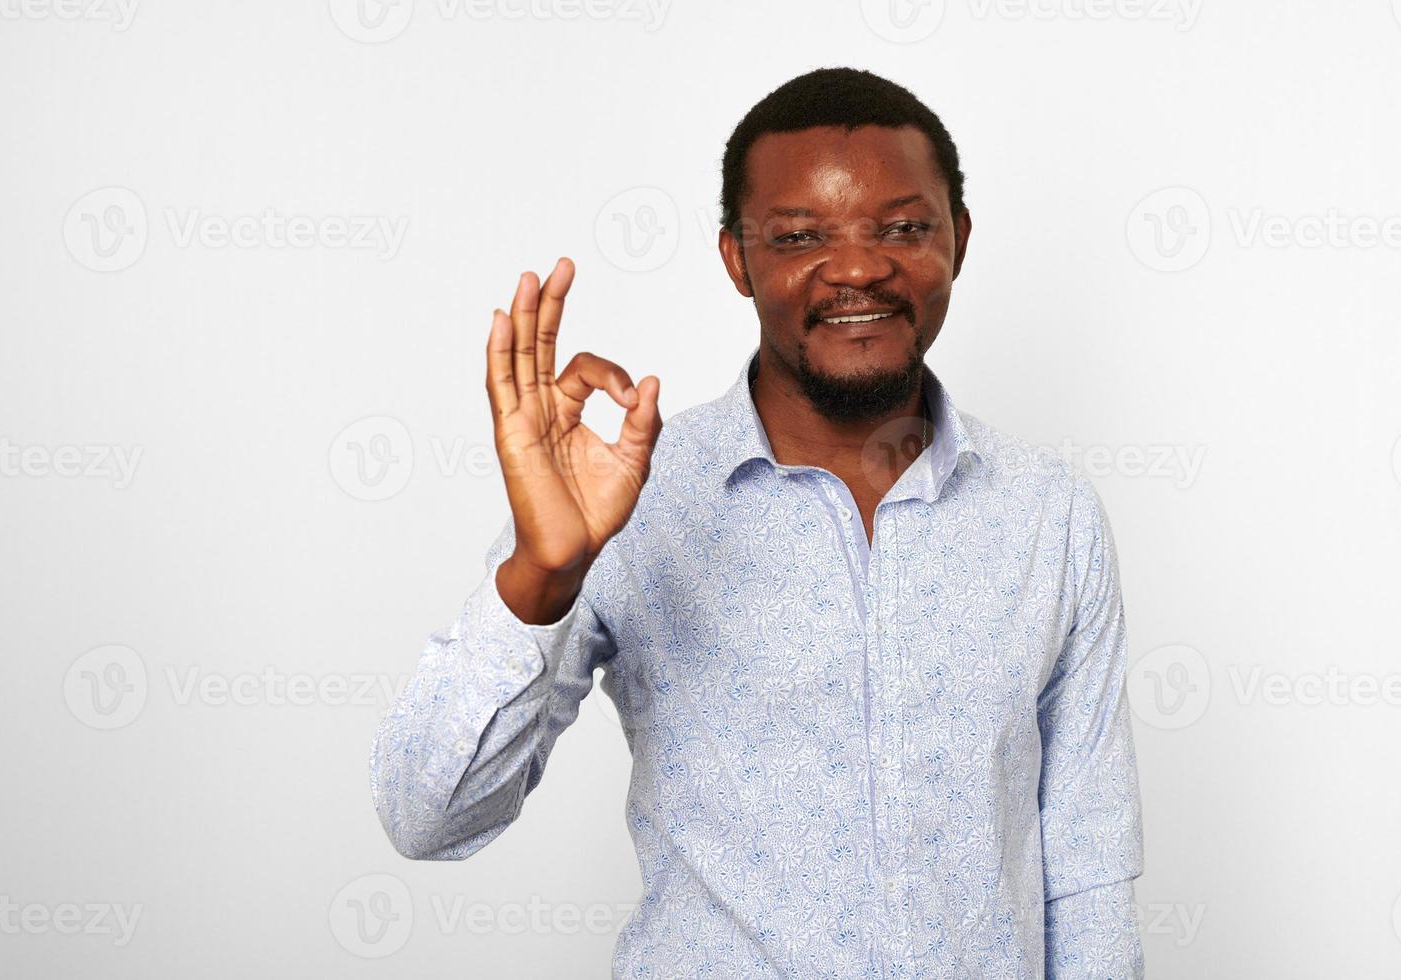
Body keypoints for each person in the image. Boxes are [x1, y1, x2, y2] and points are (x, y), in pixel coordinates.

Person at [370, 66, 1144, 978]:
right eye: (800, 236)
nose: (858, 265)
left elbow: (1087, 870)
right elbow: (427, 814)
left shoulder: (1049, 517)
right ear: (737, 258)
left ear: (958, 242)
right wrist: (540, 576)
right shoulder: (633, 498)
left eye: (902, 227)